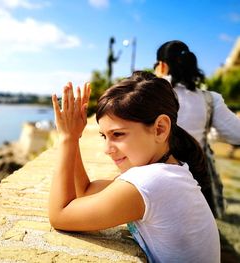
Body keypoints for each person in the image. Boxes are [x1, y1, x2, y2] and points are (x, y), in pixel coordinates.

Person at [49, 71, 220, 263]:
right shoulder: (169, 171)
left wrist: (66, 138)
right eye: (104, 136)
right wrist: (74, 138)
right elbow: (86, 192)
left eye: (118, 134)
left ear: (160, 129)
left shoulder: (150, 182)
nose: (107, 149)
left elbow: (60, 215)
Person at [154, 40, 240, 218]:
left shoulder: (152, 93)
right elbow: (237, 134)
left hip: (157, 180)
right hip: (196, 183)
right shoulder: (210, 100)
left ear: (162, 65)